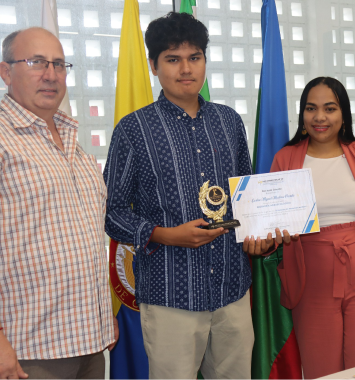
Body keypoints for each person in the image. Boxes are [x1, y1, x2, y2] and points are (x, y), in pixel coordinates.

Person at [103, 12, 278, 380]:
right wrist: (165, 234)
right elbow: (111, 212)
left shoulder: (229, 121)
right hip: (171, 296)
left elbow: (245, 199)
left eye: (194, 57)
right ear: (153, 65)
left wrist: (263, 235)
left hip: (231, 289)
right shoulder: (133, 129)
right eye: (173, 59)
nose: (186, 68)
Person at [0, 28, 117, 380]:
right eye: (36, 62)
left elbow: (86, 241)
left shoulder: (74, 147)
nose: (50, 74)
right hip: (24, 353)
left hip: (88, 344)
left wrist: (103, 316)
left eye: (58, 64)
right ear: (6, 72)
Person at [269, 77, 355, 380]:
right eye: (311, 108)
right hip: (311, 281)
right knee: (323, 369)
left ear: (343, 114)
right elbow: (272, 220)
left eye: (329, 108)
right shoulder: (286, 158)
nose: (320, 117)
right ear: (303, 115)